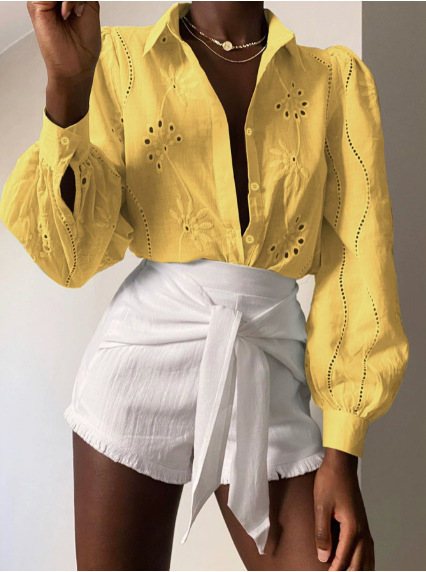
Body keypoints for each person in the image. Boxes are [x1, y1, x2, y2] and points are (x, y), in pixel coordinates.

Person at [0, 1, 410, 570]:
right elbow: (71, 258)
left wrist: (343, 448)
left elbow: (359, 261)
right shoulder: (118, 62)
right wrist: (68, 85)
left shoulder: (333, 81)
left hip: (265, 357)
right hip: (140, 361)